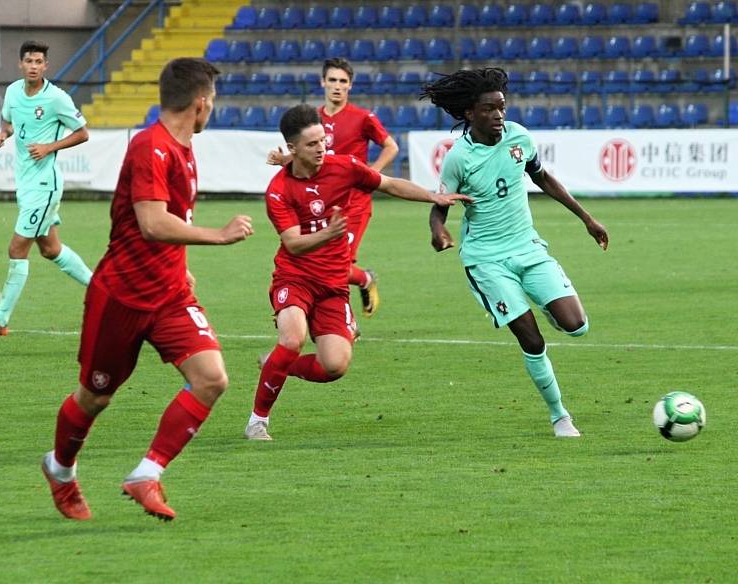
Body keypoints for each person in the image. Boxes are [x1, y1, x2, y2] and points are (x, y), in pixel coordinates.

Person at [41, 58, 253, 521]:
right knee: (94, 397)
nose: (211, 110)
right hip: (122, 296)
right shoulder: (150, 148)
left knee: (212, 378)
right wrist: (219, 235)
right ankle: (59, 469)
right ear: (200, 104)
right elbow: (153, 224)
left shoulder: (184, 148)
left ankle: (146, 474)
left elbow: (175, 221)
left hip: (171, 293)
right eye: (211, 102)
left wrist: (185, 265)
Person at [244, 104, 469, 441]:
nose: (321, 148)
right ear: (292, 149)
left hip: (334, 284)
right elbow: (293, 243)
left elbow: (389, 184)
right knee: (292, 338)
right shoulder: (279, 190)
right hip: (295, 278)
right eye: (312, 144)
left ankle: (279, 365)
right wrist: (327, 234)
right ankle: (257, 421)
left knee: (334, 366)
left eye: (322, 140)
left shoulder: (344, 167)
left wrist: (433, 196)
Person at [422, 68, 609, 438]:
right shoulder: (459, 157)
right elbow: (440, 204)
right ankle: (560, 416)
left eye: (502, 107)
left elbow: (542, 177)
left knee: (577, 327)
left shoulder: (519, 137)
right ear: (470, 113)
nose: (498, 115)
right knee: (532, 339)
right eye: (489, 109)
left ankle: (544, 303)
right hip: (487, 261)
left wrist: (586, 218)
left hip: (528, 248)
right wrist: (438, 231)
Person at [0, 40, 92, 336]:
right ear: (21, 64)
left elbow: (83, 133)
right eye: (29, 61)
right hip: (25, 183)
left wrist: (50, 146)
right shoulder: (13, 92)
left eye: (39, 61)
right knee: (51, 249)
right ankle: (105, 290)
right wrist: (3, 134)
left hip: (44, 185)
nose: (34, 66)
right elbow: (9, 122)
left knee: (17, 247)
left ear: (46, 66)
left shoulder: (57, 98)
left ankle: (0, 321)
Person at [267, 58, 399, 318]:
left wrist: (371, 174)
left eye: (343, 81)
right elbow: (307, 155)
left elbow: (391, 146)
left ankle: (342, 322)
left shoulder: (363, 118)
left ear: (350, 86)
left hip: (354, 203)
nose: (337, 86)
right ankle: (362, 280)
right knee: (316, 259)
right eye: (333, 80)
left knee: (337, 263)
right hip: (320, 203)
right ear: (322, 82)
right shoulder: (311, 120)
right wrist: (286, 160)